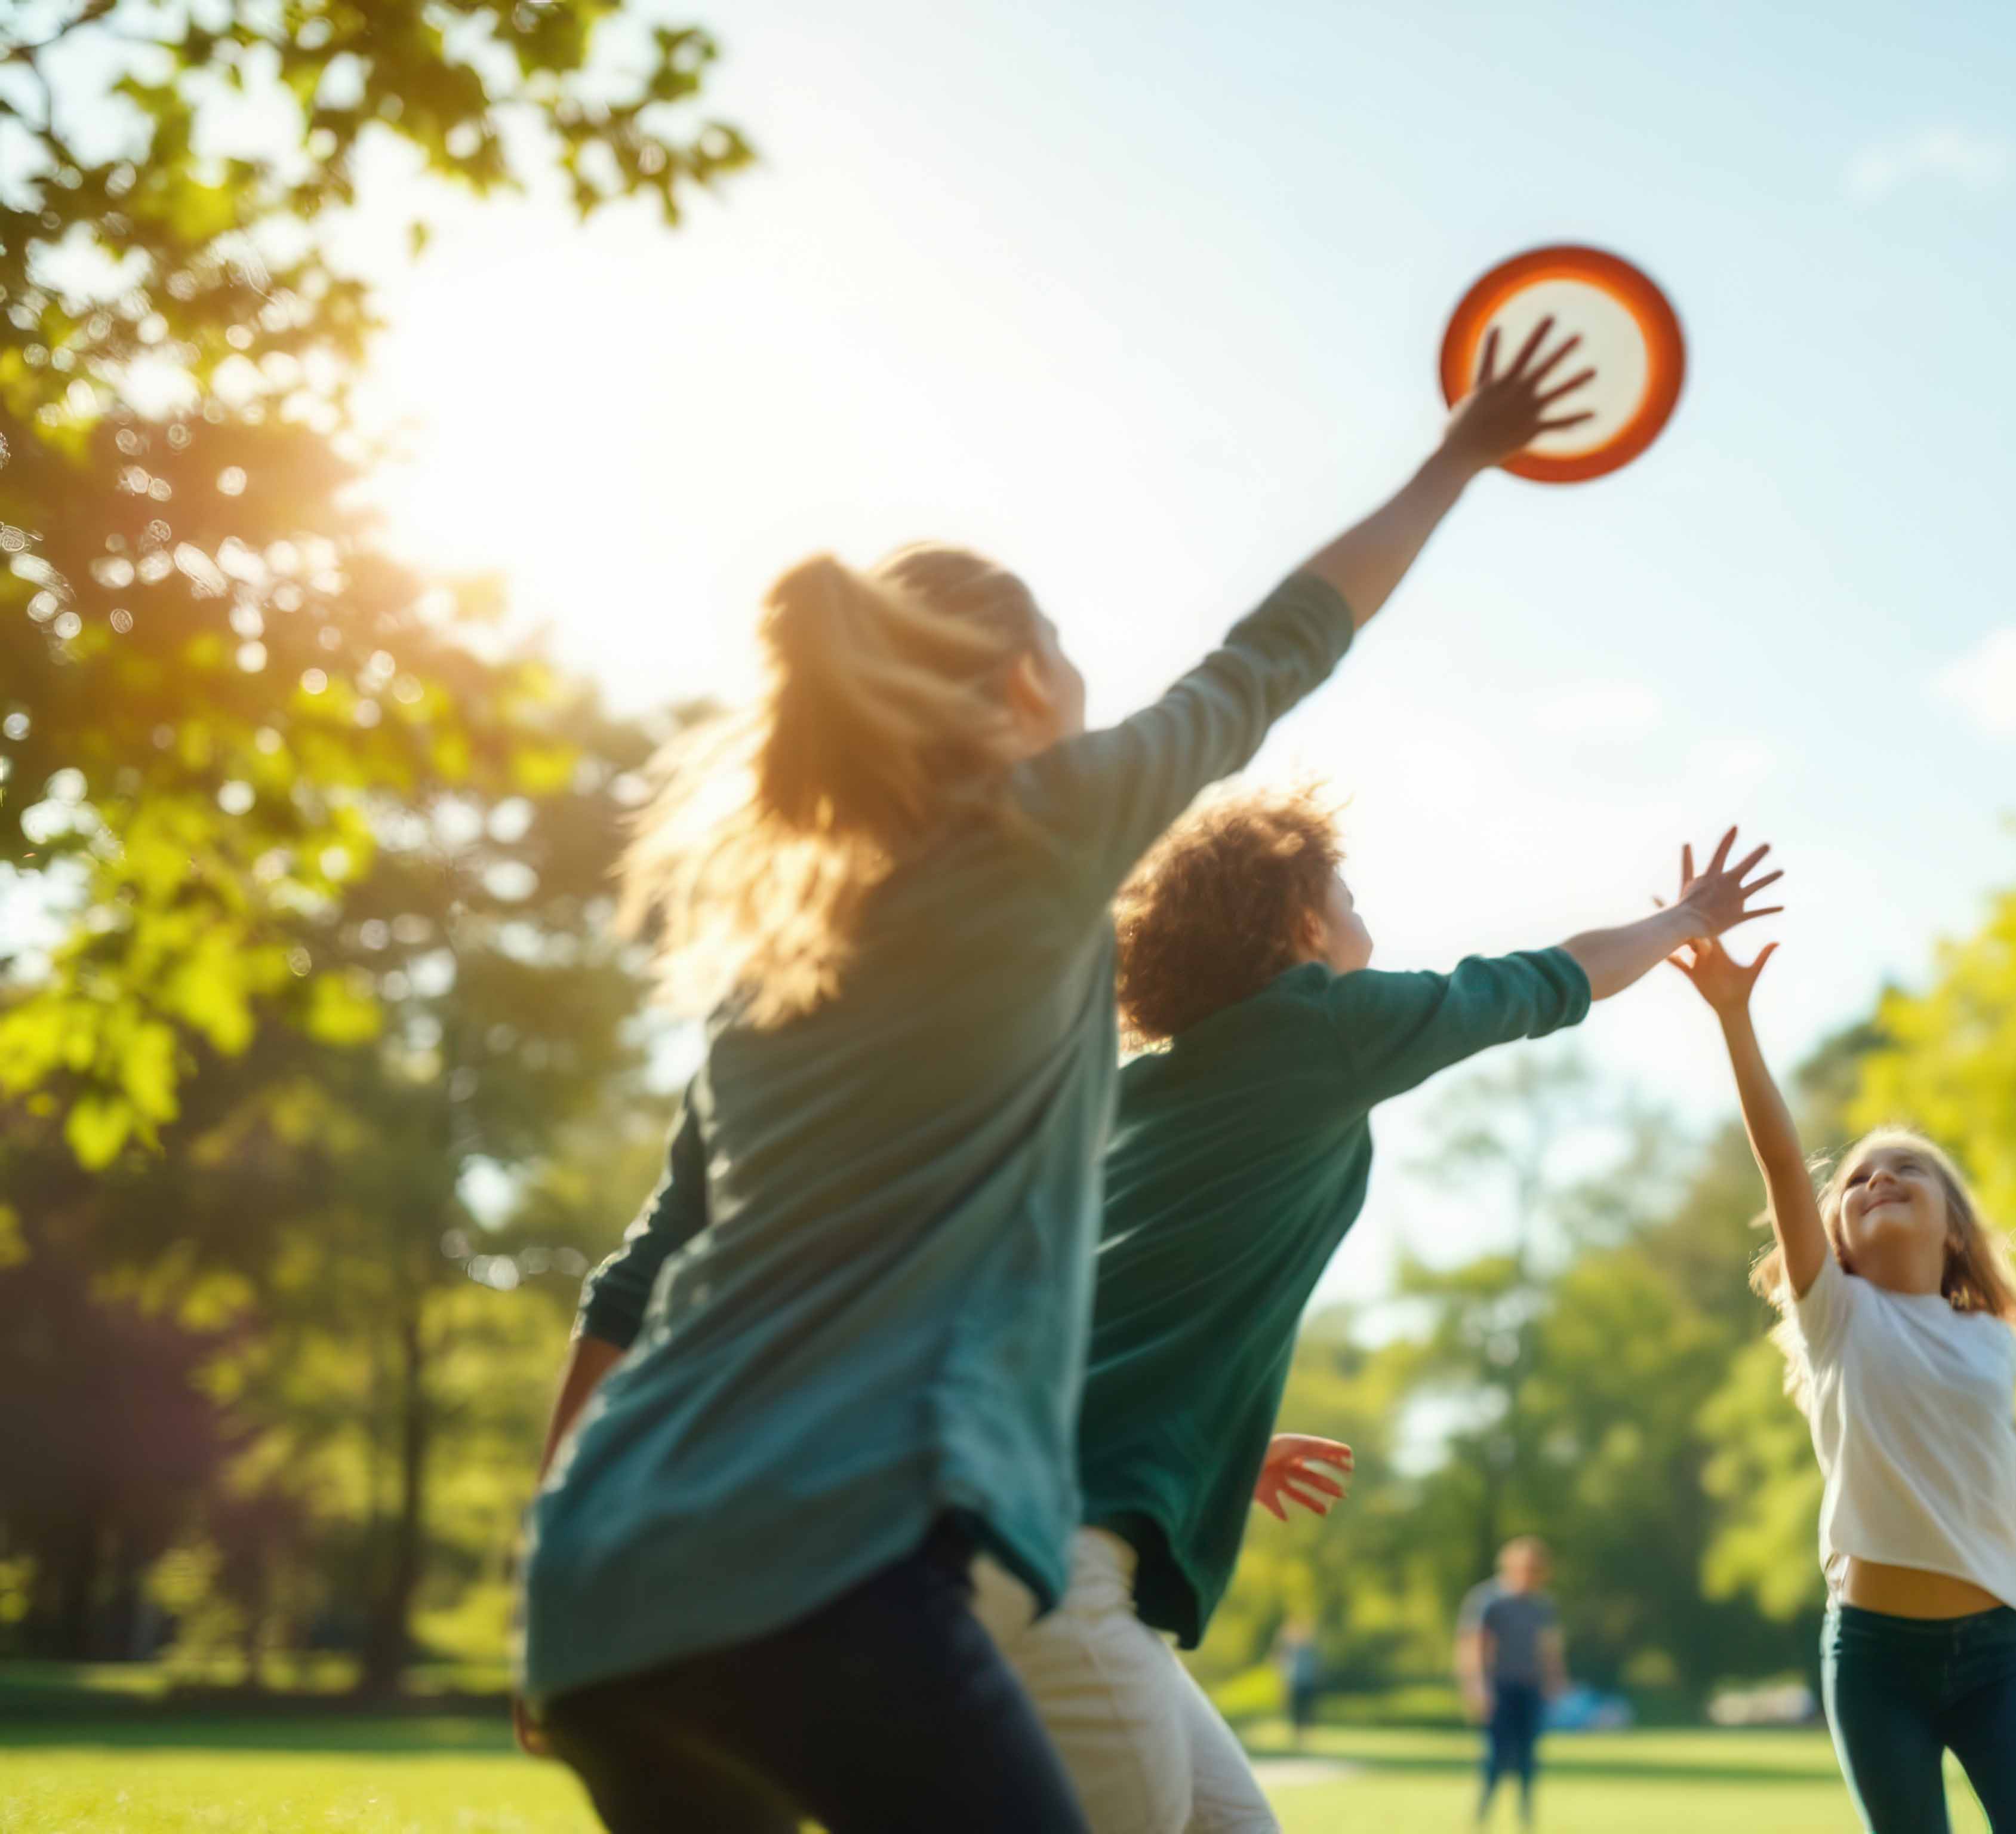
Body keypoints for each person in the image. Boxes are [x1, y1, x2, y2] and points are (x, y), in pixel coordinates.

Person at [510, 321, 1601, 1834]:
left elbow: (634, 1286)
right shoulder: (1038, 831)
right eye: (1073, 658)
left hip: (601, 1582)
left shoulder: (780, 956)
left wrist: (544, 1554)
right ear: (1026, 682)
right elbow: (1276, 652)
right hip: (819, 1566)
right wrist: (1454, 461)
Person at [967, 793, 1784, 1834]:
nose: (1365, 917)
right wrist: (1683, 920)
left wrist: (1208, 1444)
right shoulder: (1322, 1031)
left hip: (1000, 1529)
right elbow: (1545, 981)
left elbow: (1083, 1310)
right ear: (1300, 926)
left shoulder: (1135, 1097)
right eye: (1345, 896)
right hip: (1060, 1558)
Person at [1674, 925, 2016, 1834]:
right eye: (1858, 1180)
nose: (1879, 1177)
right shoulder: (1836, 1316)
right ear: (1835, 1236)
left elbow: (2014, 1485)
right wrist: (1736, 1018)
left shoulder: (1990, 1344)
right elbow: (1780, 1161)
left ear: (1955, 1229)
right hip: (1875, 1658)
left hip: (1998, 1657)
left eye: (1908, 1170)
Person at [1457, 1536, 1570, 1833]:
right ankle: (1482, 1816)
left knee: (1529, 1758)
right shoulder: (1488, 1600)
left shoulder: (1543, 1605)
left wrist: (1556, 1682)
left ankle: (1526, 1819)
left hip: (1530, 1687)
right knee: (1495, 1757)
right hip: (1499, 1688)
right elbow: (1474, 1646)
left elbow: (1549, 1649)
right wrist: (1477, 1688)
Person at [1271, 1619, 1324, 1752]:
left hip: (1307, 1683)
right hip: (1296, 1683)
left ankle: (1306, 1738)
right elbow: (1278, 1657)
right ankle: (1297, 1738)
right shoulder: (1292, 1649)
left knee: (1307, 1711)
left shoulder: (1310, 1649)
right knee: (1296, 1712)